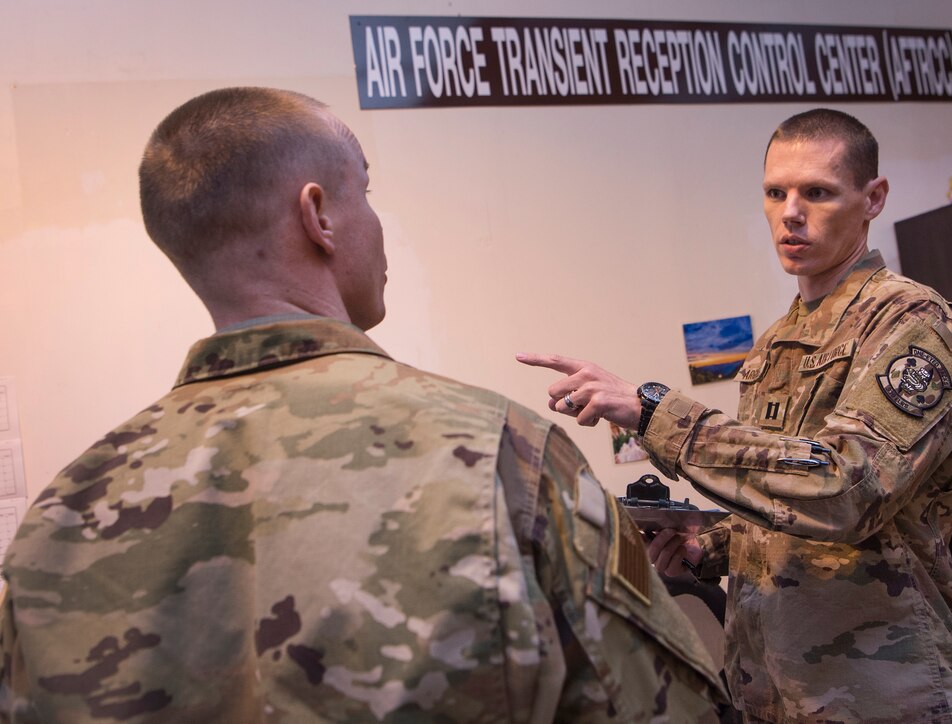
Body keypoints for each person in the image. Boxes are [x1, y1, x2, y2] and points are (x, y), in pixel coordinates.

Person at [0, 87, 727, 722]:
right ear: (317, 215)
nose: (377, 226)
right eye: (367, 193)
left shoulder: (62, 513)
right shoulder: (497, 452)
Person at [518, 109, 952, 723]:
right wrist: (705, 547)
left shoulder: (913, 323)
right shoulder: (775, 343)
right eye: (776, 193)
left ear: (873, 198)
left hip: (886, 693)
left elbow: (845, 490)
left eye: (817, 192)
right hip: (776, 690)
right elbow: (781, 502)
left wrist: (655, 411)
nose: (790, 212)